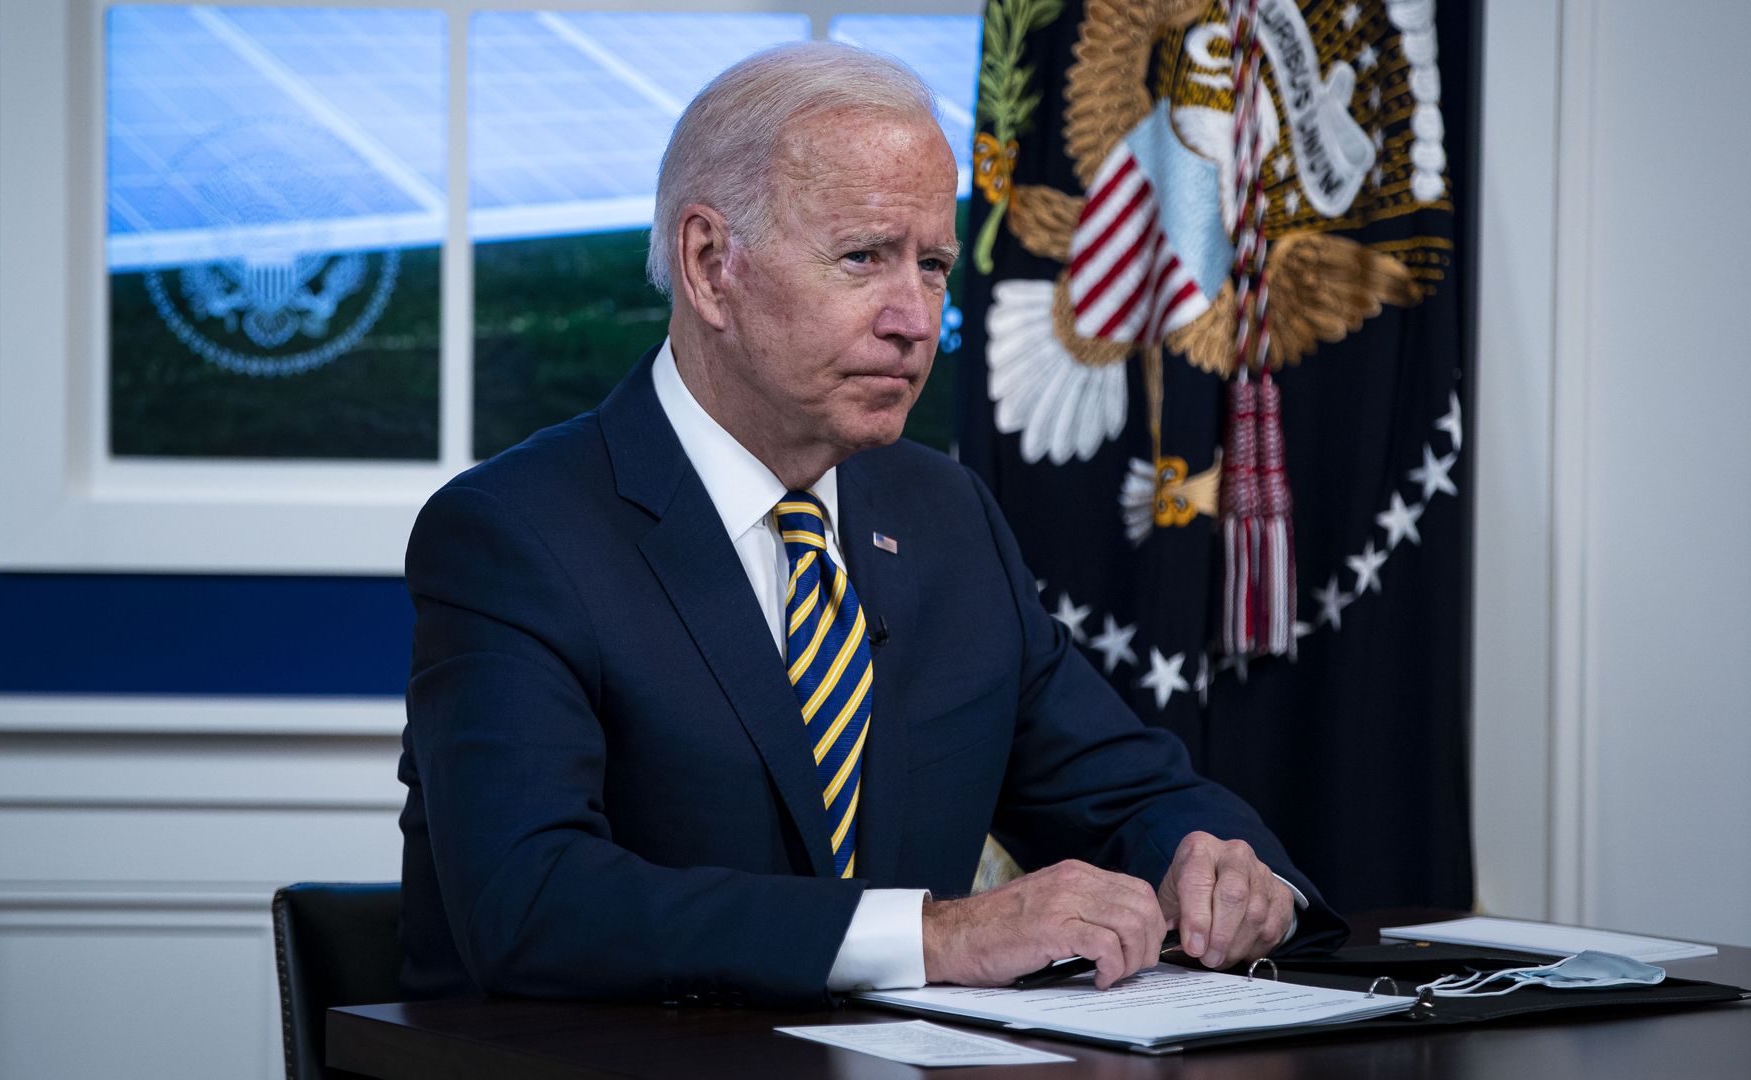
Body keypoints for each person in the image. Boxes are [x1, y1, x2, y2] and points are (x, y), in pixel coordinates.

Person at [398, 41, 1344, 1007]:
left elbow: (1125, 791)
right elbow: (530, 902)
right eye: (863, 257)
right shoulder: (514, 535)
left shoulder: (947, 516)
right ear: (709, 264)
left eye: (933, 266)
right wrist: (936, 935)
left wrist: (1218, 866)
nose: (915, 318)